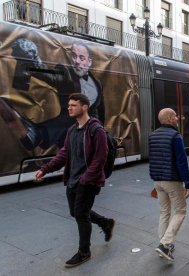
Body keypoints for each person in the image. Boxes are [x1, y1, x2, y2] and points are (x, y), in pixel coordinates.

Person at [34, 93, 115, 268]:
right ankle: (105, 222)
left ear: (84, 107)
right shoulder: (72, 130)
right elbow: (63, 154)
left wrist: (86, 179)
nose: (69, 108)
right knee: (76, 212)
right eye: (68, 105)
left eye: (73, 105)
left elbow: (101, 157)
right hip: (73, 180)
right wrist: (44, 169)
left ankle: (84, 252)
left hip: (88, 181)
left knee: (80, 214)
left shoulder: (96, 130)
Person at [4, 40, 105, 150]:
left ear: (89, 62)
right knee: (71, 118)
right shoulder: (66, 73)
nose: (76, 61)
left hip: (89, 132)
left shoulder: (97, 83)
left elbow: (99, 109)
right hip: (67, 130)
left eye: (81, 58)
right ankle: (37, 134)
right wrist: (33, 61)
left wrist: (100, 131)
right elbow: (51, 75)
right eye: (74, 56)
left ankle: (38, 134)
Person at [149, 108, 189, 261]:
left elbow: (154, 159)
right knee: (180, 211)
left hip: (157, 180)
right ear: (168, 118)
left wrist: (156, 180)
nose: (177, 118)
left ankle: (163, 243)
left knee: (164, 212)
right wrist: (187, 183)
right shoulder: (175, 136)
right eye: (174, 116)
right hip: (172, 180)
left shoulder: (152, 136)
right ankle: (165, 245)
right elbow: (181, 161)